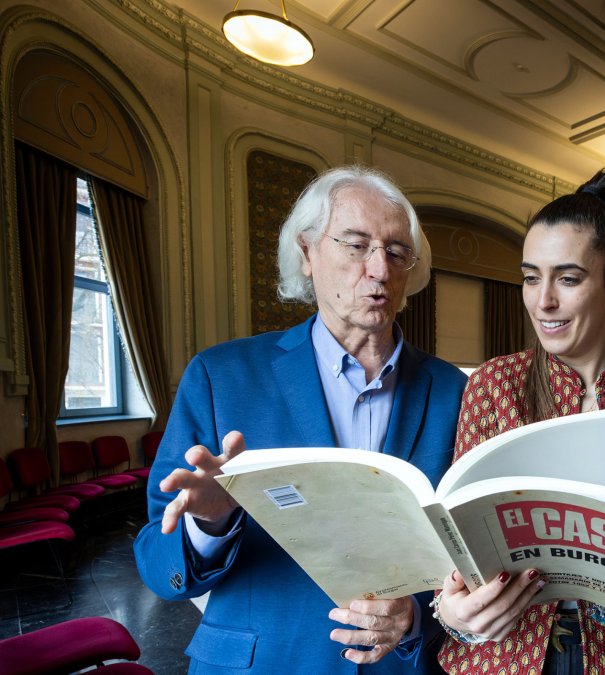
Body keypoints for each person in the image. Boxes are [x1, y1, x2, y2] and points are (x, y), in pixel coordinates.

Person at [134, 166, 466, 673]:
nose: (379, 269)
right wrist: (212, 524)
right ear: (308, 252)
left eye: (397, 252)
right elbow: (158, 566)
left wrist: (417, 619)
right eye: (356, 246)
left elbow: (474, 555)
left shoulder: (455, 392)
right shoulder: (220, 376)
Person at [433, 169, 605, 673]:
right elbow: (458, 541)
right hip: (508, 653)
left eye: (567, 278)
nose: (543, 301)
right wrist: (453, 609)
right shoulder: (493, 385)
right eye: (530, 277)